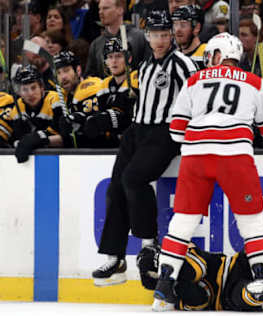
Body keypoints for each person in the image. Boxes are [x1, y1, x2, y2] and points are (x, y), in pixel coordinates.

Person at [151, 32, 263, 311]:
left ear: (216, 55)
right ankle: (262, 282)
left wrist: (202, 135)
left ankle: (164, 287)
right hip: (234, 155)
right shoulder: (255, 82)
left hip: (195, 155)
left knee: (183, 222)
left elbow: (176, 130)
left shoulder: (194, 80)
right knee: (251, 222)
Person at [91, 10, 197, 287]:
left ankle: (149, 244)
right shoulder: (146, 67)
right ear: (147, 37)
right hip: (138, 130)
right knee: (116, 187)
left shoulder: (183, 64)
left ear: (171, 35)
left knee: (134, 179)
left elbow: (199, 96)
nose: (160, 40)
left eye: (164, 34)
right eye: (154, 35)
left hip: (166, 132)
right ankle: (116, 257)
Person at [84, 37, 138, 141]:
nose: (114, 61)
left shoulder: (137, 78)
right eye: (110, 57)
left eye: (118, 56)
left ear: (129, 58)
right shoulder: (104, 84)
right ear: (105, 61)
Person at [7, 65, 63, 163]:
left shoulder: (55, 100)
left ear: (42, 88)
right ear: (19, 92)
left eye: (33, 88)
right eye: (25, 89)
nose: (30, 93)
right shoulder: (17, 108)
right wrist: (18, 140)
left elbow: (65, 138)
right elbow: (14, 142)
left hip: (60, 159)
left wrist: (37, 138)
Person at [85, 0, 150, 78]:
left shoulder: (140, 37)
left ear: (120, 10)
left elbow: (150, 67)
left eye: (105, 8)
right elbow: (90, 76)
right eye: (99, 9)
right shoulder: (96, 44)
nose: (100, 12)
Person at [52, 50, 105, 148]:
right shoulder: (60, 98)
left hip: (101, 152)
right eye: (58, 73)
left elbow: (98, 128)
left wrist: (79, 119)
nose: (63, 77)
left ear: (78, 70)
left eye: (66, 70)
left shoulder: (93, 87)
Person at [172, 5, 207, 69]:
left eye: (183, 25)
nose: (178, 30)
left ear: (197, 28)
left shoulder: (207, 52)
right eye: (175, 24)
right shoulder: (172, 55)